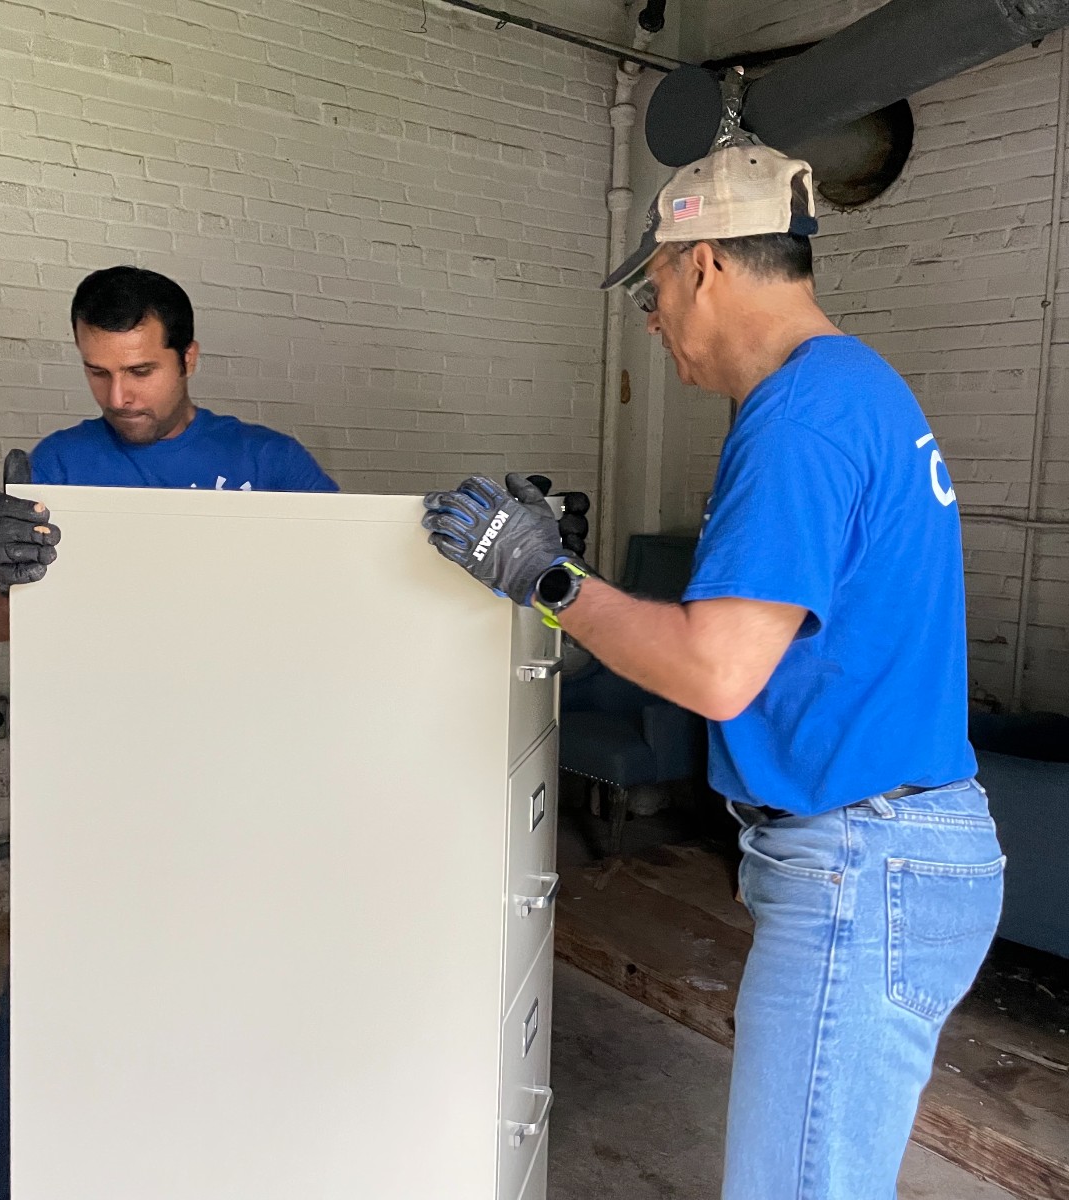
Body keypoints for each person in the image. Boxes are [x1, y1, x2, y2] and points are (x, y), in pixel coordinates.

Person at [421, 143, 1004, 1200]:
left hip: (862, 861)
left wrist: (545, 581)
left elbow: (718, 673)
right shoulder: (851, 389)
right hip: (888, 848)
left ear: (702, 266)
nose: (651, 317)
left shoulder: (798, 419)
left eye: (652, 288)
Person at [0, 265, 336, 1200]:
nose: (120, 396)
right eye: (97, 373)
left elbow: (343, 602)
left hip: (238, 783)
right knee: (49, 998)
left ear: (188, 357)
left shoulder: (269, 463)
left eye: (141, 371)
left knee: (231, 995)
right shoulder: (61, 462)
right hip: (95, 786)